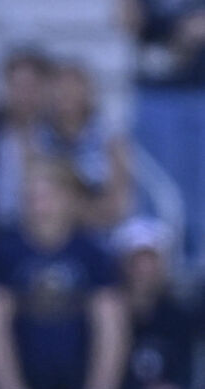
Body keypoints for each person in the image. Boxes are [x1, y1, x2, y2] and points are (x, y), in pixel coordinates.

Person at [0, 159, 129, 389]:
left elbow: (111, 327)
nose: (38, 204)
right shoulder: (5, 250)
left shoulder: (92, 252)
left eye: (47, 195)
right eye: (31, 196)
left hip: (77, 387)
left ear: (70, 199)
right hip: (22, 388)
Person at [128, 0, 205, 264]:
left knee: (198, 187)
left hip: (198, 88)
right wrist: (179, 36)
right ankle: (153, 263)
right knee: (156, 190)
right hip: (158, 91)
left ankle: (196, 259)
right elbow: (128, 21)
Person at [113, 218, 196, 389]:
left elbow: (186, 369)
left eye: (151, 260)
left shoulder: (180, 317)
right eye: (136, 261)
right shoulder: (105, 316)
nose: (143, 270)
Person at [40, 60, 134, 230]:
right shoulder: (38, 138)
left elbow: (119, 202)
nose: (66, 94)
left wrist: (84, 213)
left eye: (73, 87)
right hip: (53, 228)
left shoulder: (111, 138)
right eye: (60, 88)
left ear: (88, 92)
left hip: (102, 225)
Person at [0, 48, 53, 230]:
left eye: (32, 87)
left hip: (46, 231)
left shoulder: (57, 132)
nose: (24, 95)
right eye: (17, 86)